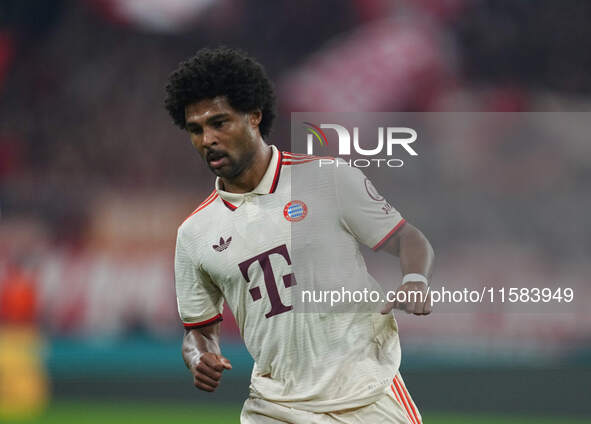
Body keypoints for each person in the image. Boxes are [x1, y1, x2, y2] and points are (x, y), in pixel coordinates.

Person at [165, 46, 434, 424]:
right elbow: (199, 331)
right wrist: (199, 357)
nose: (207, 139)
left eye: (219, 123)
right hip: (275, 408)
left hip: (366, 397)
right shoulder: (195, 233)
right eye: (196, 129)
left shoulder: (327, 177)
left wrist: (415, 279)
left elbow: (408, 239)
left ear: (254, 116)